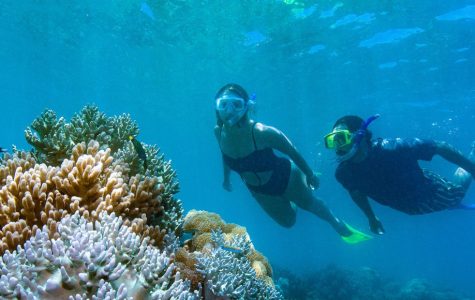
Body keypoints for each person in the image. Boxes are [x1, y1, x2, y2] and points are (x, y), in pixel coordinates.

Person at [214, 83, 370, 244]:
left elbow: (292, 151)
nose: (229, 110)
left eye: (236, 104)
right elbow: (225, 154)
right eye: (223, 104)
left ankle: (337, 224)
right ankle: (294, 199)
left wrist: (309, 174)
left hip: (285, 177)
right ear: (217, 107)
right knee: (288, 222)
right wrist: (226, 178)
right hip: (258, 189)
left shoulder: (261, 132)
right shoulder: (218, 132)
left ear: (246, 106)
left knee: (311, 205)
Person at [324, 115, 475, 235]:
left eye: (341, 139)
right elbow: (356, 192)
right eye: (333, 141)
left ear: (360, 135)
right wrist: (371, 217)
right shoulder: (344, 173)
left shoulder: (393, 148)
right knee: (453, 201)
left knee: (455, 197)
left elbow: (441, 147)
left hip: (431, 194)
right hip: (407, 207)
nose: (338, 148)